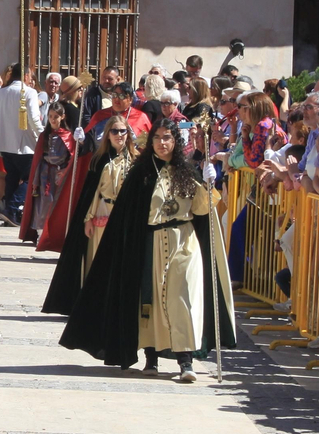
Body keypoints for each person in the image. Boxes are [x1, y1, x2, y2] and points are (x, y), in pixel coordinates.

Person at [60, 118, 235, 381]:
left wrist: (210, 187)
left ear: (176, 142)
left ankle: (186, 361)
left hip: (184, 241)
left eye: (167, 138)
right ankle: (151, 358)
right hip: (150, 242)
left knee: (183, 297)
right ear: (150, 140)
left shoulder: (187, 171)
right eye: (157, 137)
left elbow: (201, 210)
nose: (162, 143)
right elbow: (128, 215)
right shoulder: (141, 174)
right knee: (149, 302)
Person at [43, 114, 136, 315]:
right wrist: (88, 218)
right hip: (103, 213)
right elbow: (92, 193)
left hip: (126, 216)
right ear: (108, 135)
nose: (119, 135)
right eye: (114, 131)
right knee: (96, 261)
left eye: (122, 131)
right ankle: (93, 304)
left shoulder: (136, 160)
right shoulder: (100, 159)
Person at [0, 63, 42, 225]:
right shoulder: (30, 92)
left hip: (5, 144)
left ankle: (9, 214)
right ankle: (10, 208)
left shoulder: (0, 94)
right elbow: (33, 118)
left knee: (12, 179)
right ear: (25, 76)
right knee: (29, 179)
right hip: (25, 145)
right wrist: (44, 135)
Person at [18, 101, 76, 245]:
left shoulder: (68, 136)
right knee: (43, 203)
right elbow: (39, 156)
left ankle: (55, 234)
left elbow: (72, 156)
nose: (53, 119)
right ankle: (40, 233)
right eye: (50, 116)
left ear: (62, 117)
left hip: (60, 173)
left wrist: (65, 170)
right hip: (45, 173)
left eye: (56, 116)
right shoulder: (45, 135)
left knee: (57, 203)